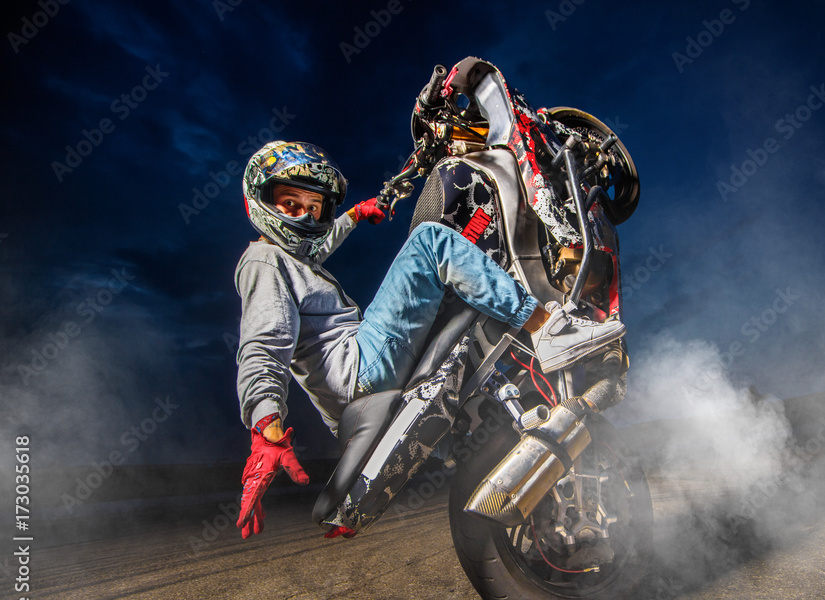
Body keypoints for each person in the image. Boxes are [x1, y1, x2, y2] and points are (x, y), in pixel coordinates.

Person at [235, 140, 624, 538]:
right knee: (431, 242)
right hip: (360, 366)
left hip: (348, 396)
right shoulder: (264, 261)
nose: (305, 215)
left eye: (314, 207)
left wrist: (353, 216)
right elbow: (263, 344)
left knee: (448, 309)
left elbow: (316, 246)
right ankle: (548, 329)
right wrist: (265, 426)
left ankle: (471, 442)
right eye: (290, 204)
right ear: (260, 201)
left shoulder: (291, 259)